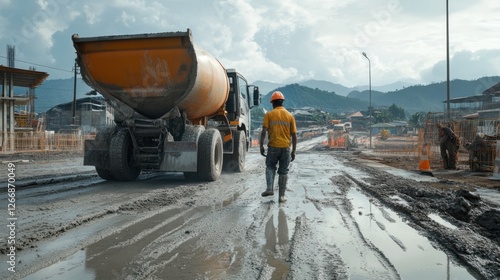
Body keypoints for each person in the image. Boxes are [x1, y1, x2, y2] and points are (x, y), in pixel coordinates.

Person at [260, 91, 297, 203]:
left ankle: (269, 188)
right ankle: (281, 197)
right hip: (286, 148)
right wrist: (294, 151)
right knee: (284, 172)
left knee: (270, 167)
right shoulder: (290, 116)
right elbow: (294, 135)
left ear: (272, 103)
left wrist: (261, 145)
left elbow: (264, 131)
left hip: (273, 147)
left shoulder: (269, 115)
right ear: (282, 102)